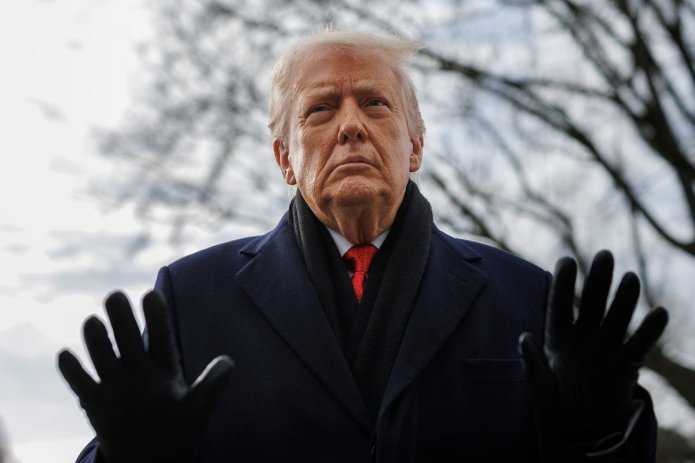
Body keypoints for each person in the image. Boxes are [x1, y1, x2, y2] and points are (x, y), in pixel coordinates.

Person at [58, 29, 669, 463]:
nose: (351, 124)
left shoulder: (527, 296)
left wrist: (601, 438)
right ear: (285, 159)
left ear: (415, 145)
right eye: (321, 109)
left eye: (375, 103)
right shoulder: (192, 299)